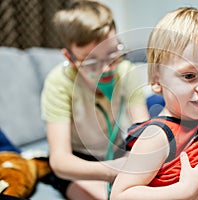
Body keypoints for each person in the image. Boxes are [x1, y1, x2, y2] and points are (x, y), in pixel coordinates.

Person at [111, 7, 198, 200]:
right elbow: (120, 195)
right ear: (157, 81)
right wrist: (181, 192)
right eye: (190, 76)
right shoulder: (157, 138)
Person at [40, 1, 150, 199]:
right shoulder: (59, 82)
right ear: (70, 58)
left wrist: (135, 160)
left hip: (116, 151)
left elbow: (143, 133)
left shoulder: (126, 73)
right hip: (77, 162)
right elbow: (60, 160)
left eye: (113, 54)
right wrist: (113, 172)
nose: (107, 68)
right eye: (91, 61)